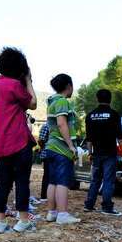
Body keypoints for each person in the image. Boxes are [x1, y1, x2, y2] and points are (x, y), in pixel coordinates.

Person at [0, 47, 38, 234]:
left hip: (0, 143)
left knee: (4, 182)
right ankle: (23, 220)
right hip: (19, 142)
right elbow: (32, 103)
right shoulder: (15, 86)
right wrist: (28, 80)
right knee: (22, 181)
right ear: (20, 68)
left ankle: (0, 222)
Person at [38, 73, 80, 225]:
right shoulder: (62, 102)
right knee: (63, 181)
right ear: (69, 86)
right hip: (61, 147)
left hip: (51, 147)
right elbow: (62, 124)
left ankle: (52, 212)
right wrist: (70, 145)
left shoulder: (52, 102)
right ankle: (62, 214)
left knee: (52, 181)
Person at [83, 89, 122, 216]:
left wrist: (90, 153)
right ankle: (107, 207)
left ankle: (89, 205)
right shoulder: (114, 115)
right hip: (110, 153)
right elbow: (120, 136)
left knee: (95, 180)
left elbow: (88, 137)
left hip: (96, 153)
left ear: (97, 99)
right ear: (110, 99)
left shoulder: (90, 115)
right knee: (108, 180)